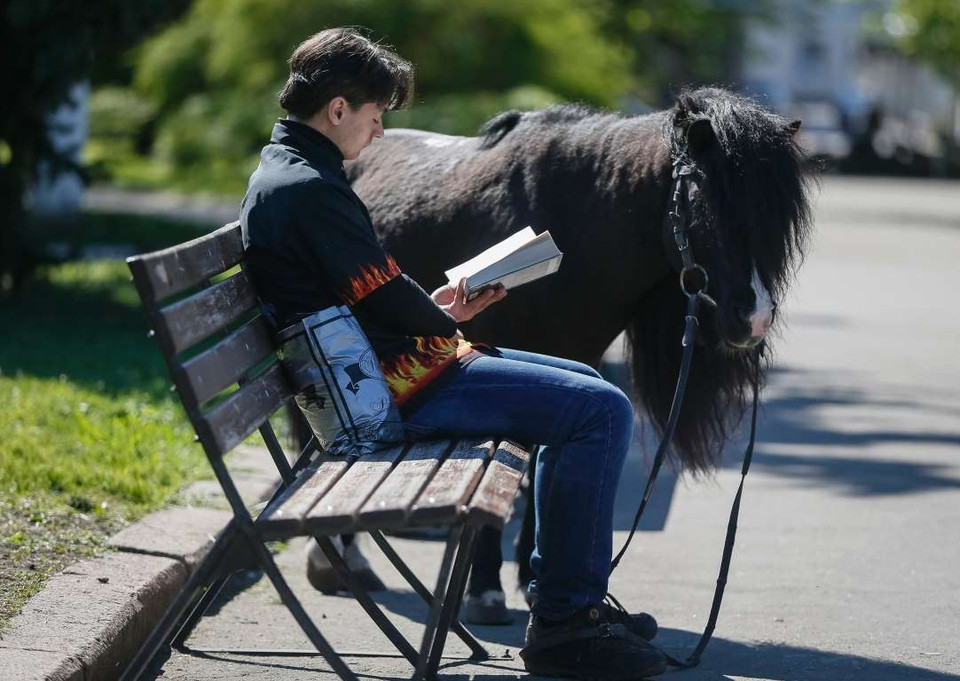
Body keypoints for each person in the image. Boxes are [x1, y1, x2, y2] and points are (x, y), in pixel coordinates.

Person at [240, 27, 666, 681]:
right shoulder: (308, 190)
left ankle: (566, 598)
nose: (379, 133)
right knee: (599, 410)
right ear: (338, 111)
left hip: (385, 367)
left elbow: (374, 286)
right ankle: (563, 621)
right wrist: (441, 318)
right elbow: (381, 291)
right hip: (383, 393)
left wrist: (445, 312)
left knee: (585, 383)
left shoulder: (296, 173)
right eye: (377, 116)